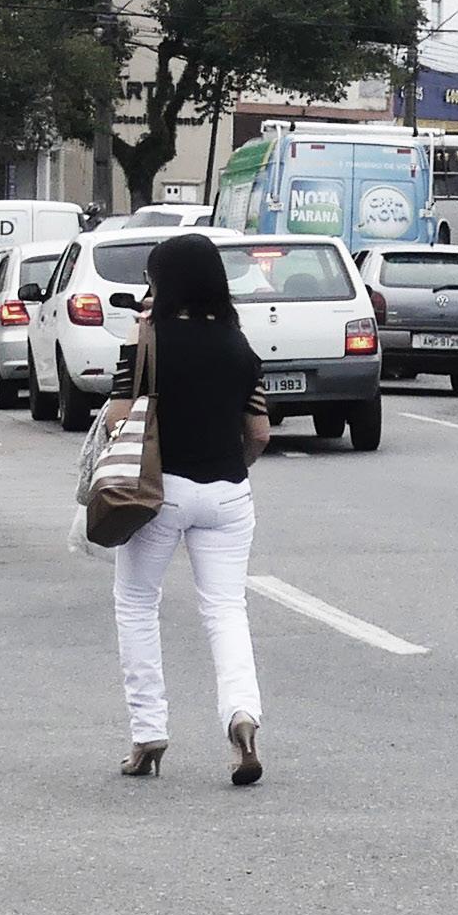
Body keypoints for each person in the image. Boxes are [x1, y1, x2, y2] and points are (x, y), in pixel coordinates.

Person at [110, 228, 274, 784]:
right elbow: (259, 433)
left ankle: (147, 732)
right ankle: (242, 717)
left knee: (137, 603)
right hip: (229, 494)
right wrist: (231, 467)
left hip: (159, 493)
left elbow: (119, 419)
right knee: (226, 609)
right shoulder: (239, 345)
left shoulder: (147, 338)